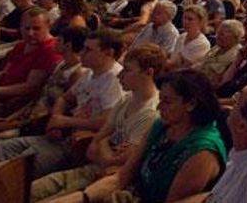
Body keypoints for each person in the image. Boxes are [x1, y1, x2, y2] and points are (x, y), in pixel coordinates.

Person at [0, 28, 125, 184]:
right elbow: (64, 99)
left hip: (73, 145)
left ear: (108, 53)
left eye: (88, 50)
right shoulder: (90, 73)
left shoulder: (114, 80)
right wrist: (57, 119)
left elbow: (106, 122)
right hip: (50, 133)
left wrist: (64, 122)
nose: (82, 53)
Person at [31, 43, 165, 202]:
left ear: (148, 73)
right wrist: (107, 149)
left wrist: (104, 144)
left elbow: (123, 165)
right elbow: (94, 146)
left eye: (127, 70)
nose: (119, 75)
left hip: (104, 185)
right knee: (29, 189)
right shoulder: (126, 99)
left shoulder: (151, 113)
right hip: (89, 170)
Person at [78, 70, 226, 202]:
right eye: (160, 99)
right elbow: (122, 177)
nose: (158, 107)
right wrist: (83, 197)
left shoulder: (202, 152)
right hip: (128, 193)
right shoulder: (161, 125)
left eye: (167, 102)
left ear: (191, 104)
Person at [193, 19, 244, 87]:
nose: (217, 36)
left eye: (222, 34)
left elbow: (221, 82)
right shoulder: (216, 48)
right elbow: (202, 64)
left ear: (235, 37)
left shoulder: (236, 55)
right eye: (217, 33)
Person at [168, 5, 211, 69]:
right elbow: (173, 58)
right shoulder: (182, 36)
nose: (185, 22)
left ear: (200, 22)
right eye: (184, 18)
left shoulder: (202, 43)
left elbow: (181, 65)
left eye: (190, 19)